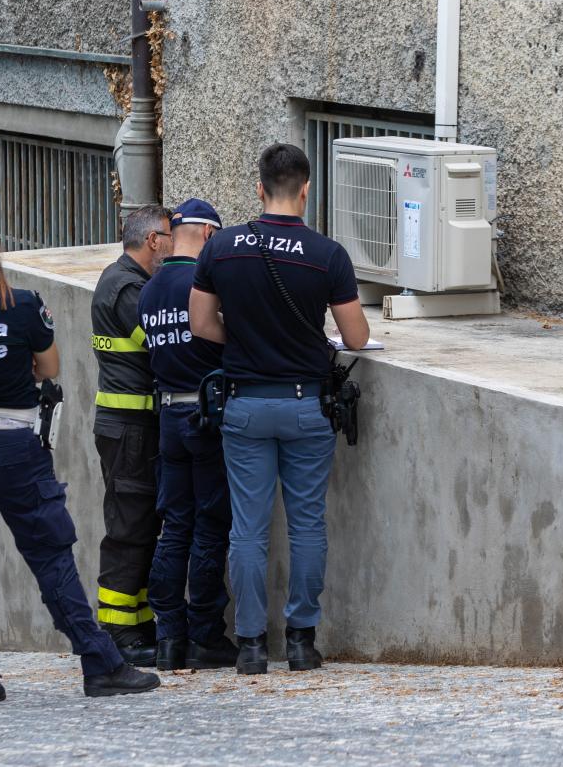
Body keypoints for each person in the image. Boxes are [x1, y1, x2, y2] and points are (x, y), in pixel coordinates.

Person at [0, 202, 159, 704]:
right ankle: (99, 662)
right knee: (50, 553)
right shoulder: (24, 305)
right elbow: (48, 368)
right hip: (8, 442)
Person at [189, 143, 370, 675]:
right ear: (306, 190)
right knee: (307, 524)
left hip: (245, 405)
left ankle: (248, 645)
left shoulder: (222, 247)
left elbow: (201, 325)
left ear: (260, 188)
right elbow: (357, 336)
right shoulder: (327, 254)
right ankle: (300, 642)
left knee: (247, 528)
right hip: (305, 406)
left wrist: (244, 337)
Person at [137, 198, 237, 671]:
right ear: (209, 234)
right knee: (210, 525)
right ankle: (205, 636)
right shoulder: (205, 282)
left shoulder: (149, 288)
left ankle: (168, 638)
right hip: (206, 416)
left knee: (174, 526)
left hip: (168, 419)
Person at [90, 203, 173, 665]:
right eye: (170, 236)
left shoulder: (123, 281)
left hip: (132, 428)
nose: (174, 244)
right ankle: (118, 634)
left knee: (140, 526)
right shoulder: (127, 288)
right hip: (130, 429)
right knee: (128, 528)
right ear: (152, 241)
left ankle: (136, 623)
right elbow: (158, 339)